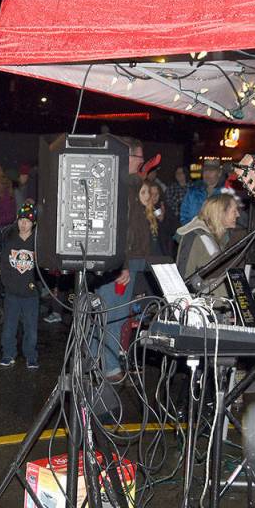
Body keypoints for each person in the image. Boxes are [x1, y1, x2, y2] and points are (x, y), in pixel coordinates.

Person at [95, 139, 152, 383]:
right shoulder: (118, 185)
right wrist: (123, 264)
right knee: (112, 316)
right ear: (128, 158)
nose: (141, 163)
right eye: (139, 158)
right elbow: (118, 229)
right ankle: (109, 368)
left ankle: (98, 362)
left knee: (116, 316)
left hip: (134, 260)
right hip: (121, 262)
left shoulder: (129, 185)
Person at [0, 203, 40, 369]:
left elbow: (42, 268)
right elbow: (4, 264)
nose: (24, 224)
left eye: (28, 221)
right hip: (12, 292)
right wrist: (7, 283)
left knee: (31, 328)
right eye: (21, 220)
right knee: (9, 326)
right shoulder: (10, 240)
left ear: (34, 223)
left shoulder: (37, 242)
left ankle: (31, 355)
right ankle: (8, 354)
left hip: (31, 294)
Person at [175, 193, 240, 299]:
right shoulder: (195, 236)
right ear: (220, 213)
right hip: (202, 308)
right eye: (234, 211)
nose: (238, 215)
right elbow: (183, 277)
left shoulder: (223, 238)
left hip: (220, 307)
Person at [180, 158, 225, 224]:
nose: (207, 173)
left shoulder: (226, 193)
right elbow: (184, 216)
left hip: (217, 233)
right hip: (194, 232)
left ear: (219, 173)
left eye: (211, 170)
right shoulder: (192, 192)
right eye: (205, 170)